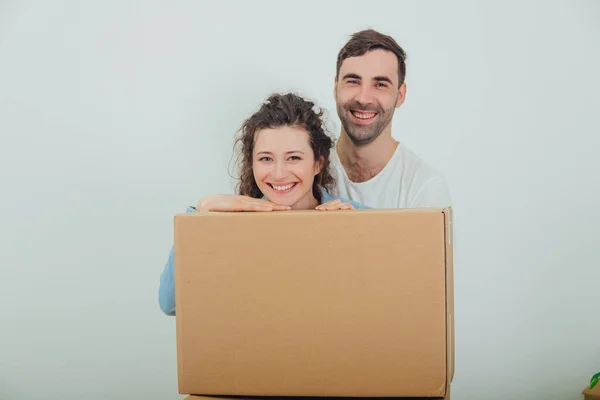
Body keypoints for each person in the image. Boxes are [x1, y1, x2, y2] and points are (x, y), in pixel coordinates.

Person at [159, 92, 370, 316]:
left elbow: (387, 302)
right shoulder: (226, 228)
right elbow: (170, 304)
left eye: (294, 158)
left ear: (318, 164)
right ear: (252, 164)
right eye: (266, 159)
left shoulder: (364, 219)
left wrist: (352, 235)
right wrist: (199, 218)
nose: (279, 174)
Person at [330, 29, 452, 209]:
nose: (363, 99)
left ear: (400, 95)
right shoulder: (302, 172)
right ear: (335, 88)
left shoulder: (424, 188)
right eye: (353, 81)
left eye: (380, 84)